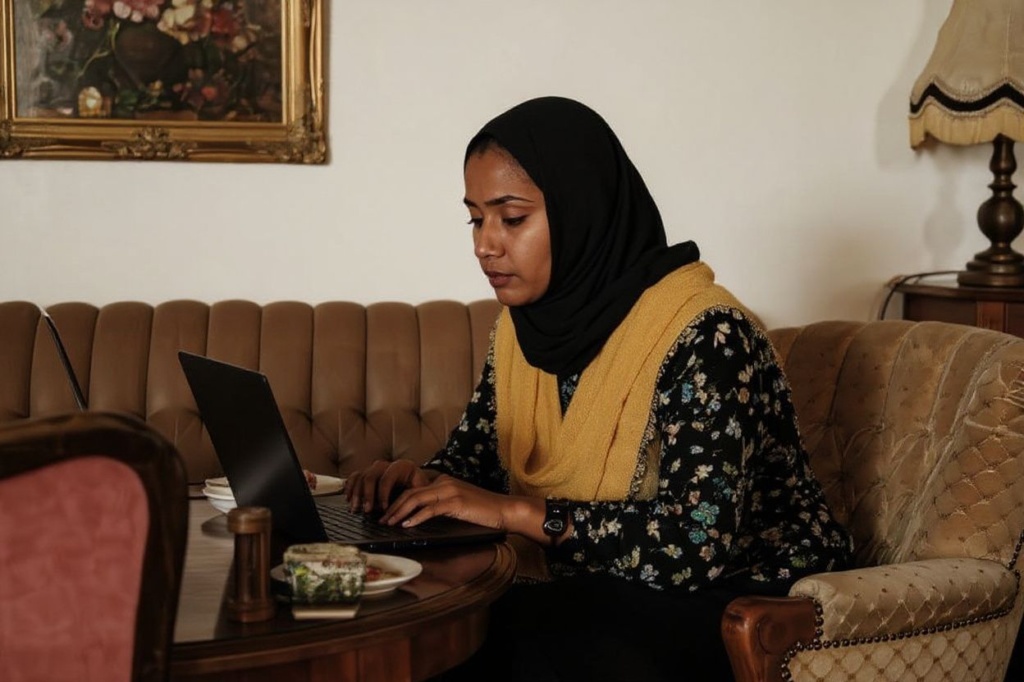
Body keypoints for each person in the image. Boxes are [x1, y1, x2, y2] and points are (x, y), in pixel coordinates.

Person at [343, 96, 852, 681]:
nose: (485, 244)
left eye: (511, 219)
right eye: (475, 218)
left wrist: (515, 512)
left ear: (581, 209)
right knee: (437, 622)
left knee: (512, 640)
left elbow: (693, 545)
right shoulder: (523, 328)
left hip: (746, 597)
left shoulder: (706, 334)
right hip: (607, 583)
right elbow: (477, 458)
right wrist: (420, 481)